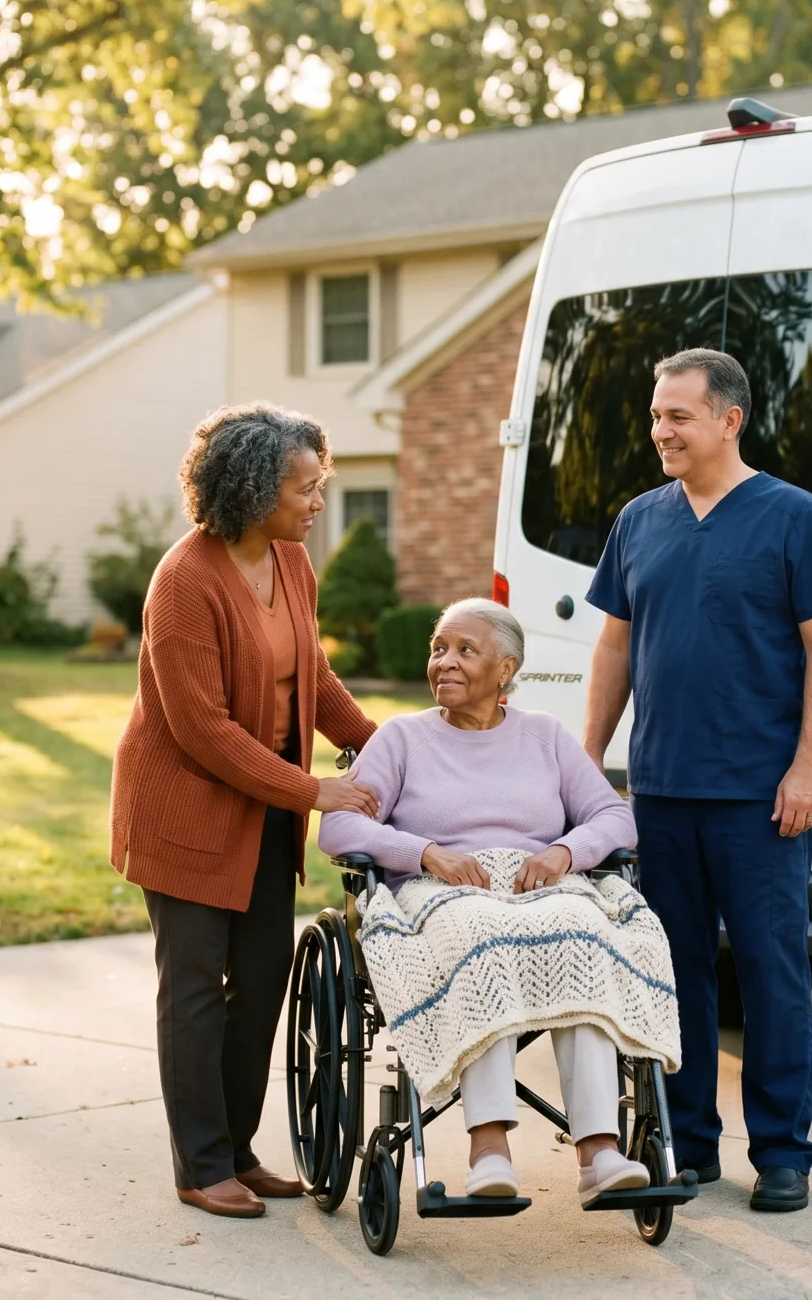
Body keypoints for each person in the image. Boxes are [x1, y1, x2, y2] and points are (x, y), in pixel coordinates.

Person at [583, 348, 812, 1214]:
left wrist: (807, 767)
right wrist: (584, 765)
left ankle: (781, 1152)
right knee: (675, 976)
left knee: (773, 974)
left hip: (759, 797)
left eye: (677, 416)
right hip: (661, 792)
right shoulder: (639, 519)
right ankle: (689, 1140)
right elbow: (615, 647)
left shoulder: (793, 517)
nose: (659, 430)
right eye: (656, 415)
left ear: (727, 420)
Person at [110, 402, 380, 1219]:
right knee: (192, 986)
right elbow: (202, 730)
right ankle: (198, 1164)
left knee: (260, 979)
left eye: (320, 485)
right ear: (255, 487)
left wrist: (384, 749)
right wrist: (314, 789)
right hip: (186, 810)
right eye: (305, 487)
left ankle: (236, 1148)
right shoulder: (184, 581)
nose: (317, 502)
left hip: (264, 810)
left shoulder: (291, 565)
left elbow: (314, 677)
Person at [319, 599, 669, 1206]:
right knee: (479, 936)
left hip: (541, 886)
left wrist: (564, 852)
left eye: (464, 651)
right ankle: (488, 1150)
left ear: (506, 670)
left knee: (581, 933)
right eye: (438, 649)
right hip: (442, 893)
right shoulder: (401, 738)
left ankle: (599, 1154)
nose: (444, 663)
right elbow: (340, 830)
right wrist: (426, 852)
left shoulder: (546, 737)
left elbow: (615, 816)